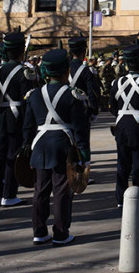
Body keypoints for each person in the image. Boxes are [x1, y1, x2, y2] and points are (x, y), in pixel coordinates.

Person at [22, 48, 90, 245]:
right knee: (61, 189)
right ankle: (61, 232)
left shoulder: (34, 95)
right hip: (62, 145)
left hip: (40, 145)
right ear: (65, 71)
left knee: (40, 190)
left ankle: (39, 231)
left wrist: (26, 144)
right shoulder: (73, 95)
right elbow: (80, 127)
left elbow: (28, 125)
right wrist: (84, 152)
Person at [0, 32, 34, 207]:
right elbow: (29, 99)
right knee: (13, 156)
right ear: (22, 51)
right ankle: (9, 194)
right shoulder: (26, 72)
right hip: (17, 117)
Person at [111, 45, 139, 207]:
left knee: (122, 163)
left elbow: (112, 108)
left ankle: (120, 198)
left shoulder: (116, 83)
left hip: (122, 126)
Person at [67, 37, 100, 118]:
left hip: (65, 108)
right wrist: (94, 110)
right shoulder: (86, 71)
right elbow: (92, 92)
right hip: (80, 109)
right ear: (84, 52)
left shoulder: (65, 69)